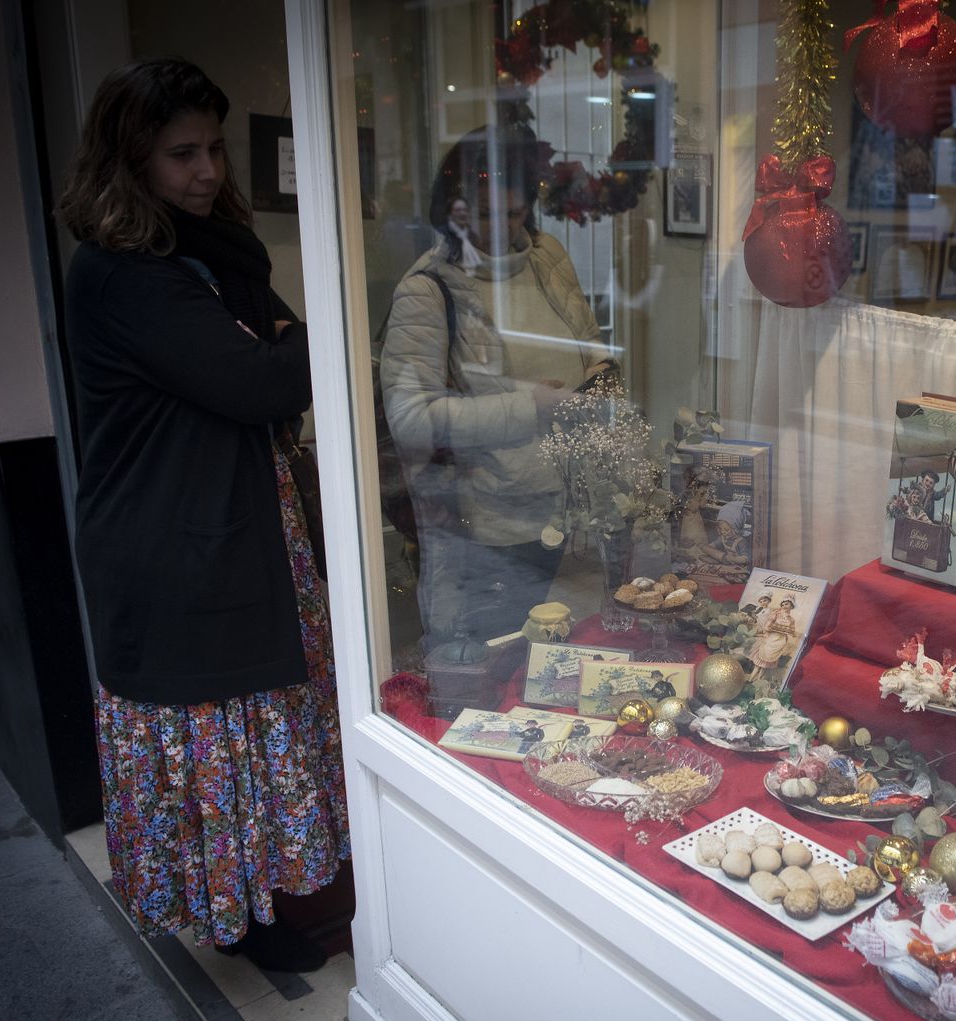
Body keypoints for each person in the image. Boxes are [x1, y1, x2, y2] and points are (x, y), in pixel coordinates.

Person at [57, 58, 348, 972]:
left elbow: (279, 345)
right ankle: (243, 916)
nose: (209, 170)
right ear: (129, 160)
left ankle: (269, 895)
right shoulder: (123, 275)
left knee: (250, 732)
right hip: (172, 543)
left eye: (215, 148)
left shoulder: (205, 254)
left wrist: (282, 348)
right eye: (182, 154)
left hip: (225, 523)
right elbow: (264, 377)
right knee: (217, 739)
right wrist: (285, 350)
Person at [381, 122, 614, 650]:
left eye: (514, 212)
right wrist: (529, 406)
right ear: (454, 209)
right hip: (492, 530)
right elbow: (411, 419)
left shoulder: (547, 256)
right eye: (485, 215)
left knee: (572, 665)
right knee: (502, 665)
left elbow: (591, 347)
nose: (502, 228)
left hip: (575, 513)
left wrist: (599, 381)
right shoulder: (427, 289)